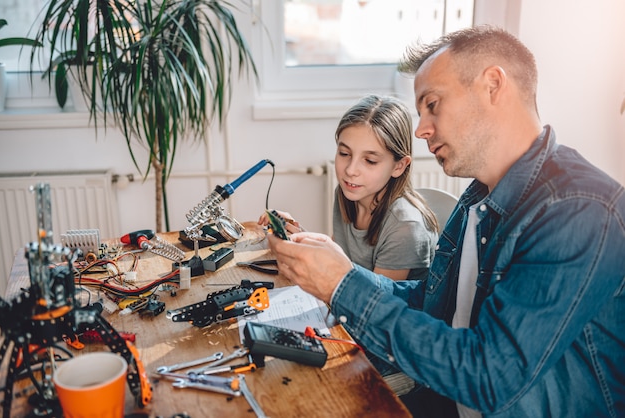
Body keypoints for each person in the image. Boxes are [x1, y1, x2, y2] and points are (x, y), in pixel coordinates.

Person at [266, 25, 625, 418]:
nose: (420, 130)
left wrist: (342, 286)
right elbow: (431, 304)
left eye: (432, 104)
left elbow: (490, 376)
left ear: (493, 85)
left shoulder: (579, 210)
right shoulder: (479, 197)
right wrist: (339, 269)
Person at [260, 94, 439, 282]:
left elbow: (374, 301)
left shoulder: (405, 229)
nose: (350, 170)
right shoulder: (347, 194)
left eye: (370, 161)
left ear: (398, 166)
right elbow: (340, 258)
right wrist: (296, 234)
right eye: (344, 153)